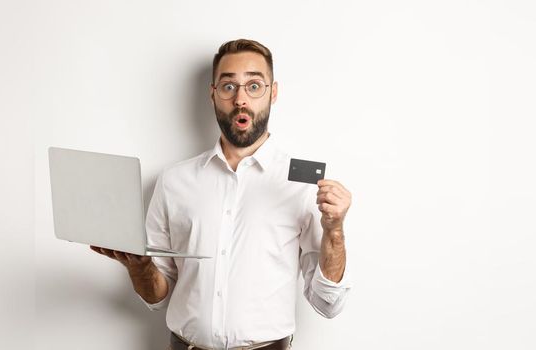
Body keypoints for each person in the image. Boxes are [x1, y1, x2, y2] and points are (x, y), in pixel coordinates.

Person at [90, 38, 352, 350]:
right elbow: (156, 298)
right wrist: (140, 266)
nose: (241, 99)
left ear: (274, 93)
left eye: (254, 86)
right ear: (213, 94)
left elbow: (328, 304)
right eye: (229, 87)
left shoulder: (303, 184)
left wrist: (334, 231)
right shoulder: (174, 180)